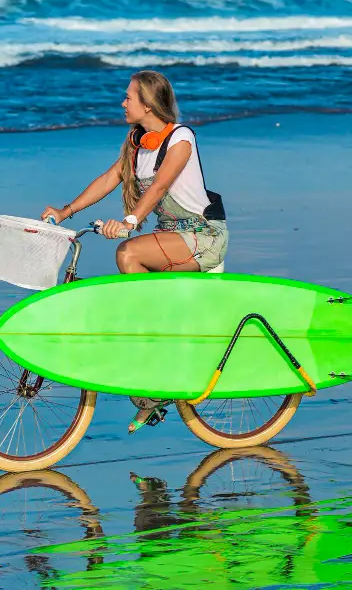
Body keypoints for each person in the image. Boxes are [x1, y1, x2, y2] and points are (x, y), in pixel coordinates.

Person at [41, 70, 229, 433]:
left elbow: (159, 187)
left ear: (148, 103)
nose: (123, 103)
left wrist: (129, 221)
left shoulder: (181, 138)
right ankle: (162, 369)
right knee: (140, 296)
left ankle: (160, 354)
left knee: (129, 255)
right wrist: (66, 212)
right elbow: (111, 178)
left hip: (202, 237)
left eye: (129, 97)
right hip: (168, 237)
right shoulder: (137, 141)